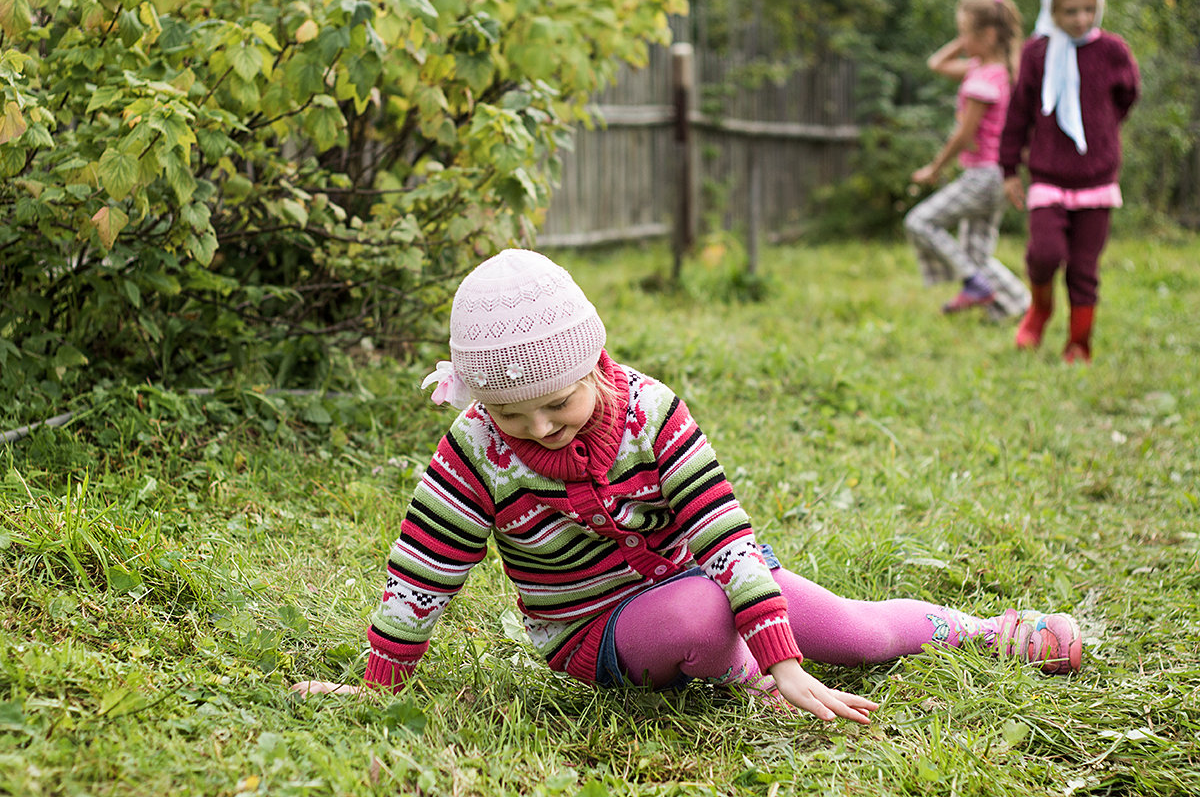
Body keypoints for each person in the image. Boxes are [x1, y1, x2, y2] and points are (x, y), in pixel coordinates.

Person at [292, 249, 1083, 722]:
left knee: (855, 636)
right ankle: (748, 678)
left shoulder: (653, 412)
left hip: (705, 570)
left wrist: (788, 652)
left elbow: (721, 534)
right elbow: (422, 572)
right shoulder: (475, 452)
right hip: (595, 630)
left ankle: (986, 630)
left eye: (557, 403)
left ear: (595, 363)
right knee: (707, 618)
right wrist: (376, 684)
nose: (536, 429)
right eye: (509, 412)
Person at [999, 0, 1139, 363]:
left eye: (1088, 10)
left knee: (1083, 268)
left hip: (1097, 179)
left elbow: (1128, 95)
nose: (1081, 19)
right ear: (1052, 12)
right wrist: (1009, 169)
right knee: (1045, 253)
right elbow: (1018, 114)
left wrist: (1102, 128)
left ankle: (1078, 343)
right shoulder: (1036, 53)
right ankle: (1040, 309)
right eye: (1070, 12)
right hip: (1048, 176)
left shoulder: (1112, 50)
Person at [905, 0, 1030, 320]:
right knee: (977, 254)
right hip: (1000, 175)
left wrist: (934, 169)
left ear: (988, 35)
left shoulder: (984, 81)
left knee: (920, 222)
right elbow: (936, 64)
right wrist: (966, 39)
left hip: (984, 175)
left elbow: (963, 136)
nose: (960, 41)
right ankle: (1015, 305)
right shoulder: (999, 71)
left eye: (964, 32)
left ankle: (974, 285)